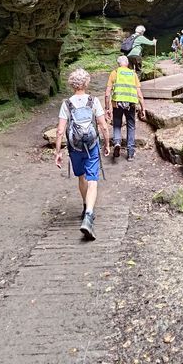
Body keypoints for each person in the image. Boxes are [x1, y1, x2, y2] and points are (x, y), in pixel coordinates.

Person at [55, 68, 110, 241]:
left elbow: (59, 130)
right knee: (93, 180)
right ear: (86, 83)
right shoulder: (93, 101)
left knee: (82, 177)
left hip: (75, 147)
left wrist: (58, 152)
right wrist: (107, 143)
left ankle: (86, 204)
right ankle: (89, 215)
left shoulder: (67, 104)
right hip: (92, 145)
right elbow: (103, 125)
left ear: (72, 85)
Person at [105, 56, 146, 162]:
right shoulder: (133, 74)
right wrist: (143, 108)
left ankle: (117, 142)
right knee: (131, 126)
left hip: (117, 103)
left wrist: (107, 108)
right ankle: (130, 153)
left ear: (118, 64)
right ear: (127, 64)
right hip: (131, 104)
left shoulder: (114, 73)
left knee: (117, 125)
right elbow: (139, 93)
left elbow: (107, 93)